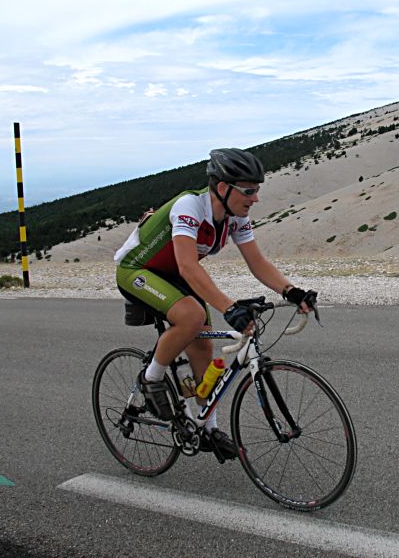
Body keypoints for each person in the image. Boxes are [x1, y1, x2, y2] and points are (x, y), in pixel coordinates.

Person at [114, 148, 313, 461]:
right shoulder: (190, 207)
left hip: (176, 274)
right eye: (248, 191)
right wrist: (229, 308)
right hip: (139, 271)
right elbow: (188, 267)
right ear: (223, 188)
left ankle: (207, 426)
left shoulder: (235, 218)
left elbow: (256, 261)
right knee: (192, 317)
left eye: (257, 190)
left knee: (203, 348)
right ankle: (150, 378)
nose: (255, 198)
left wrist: (291, 291)